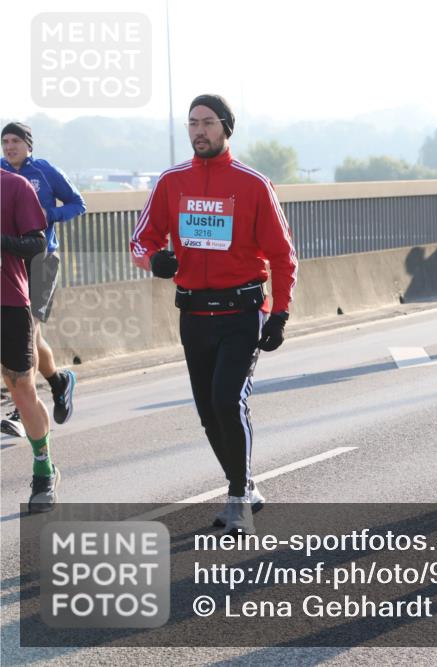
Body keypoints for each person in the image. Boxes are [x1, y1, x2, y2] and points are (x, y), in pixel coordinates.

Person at [130, 94, 298, 535]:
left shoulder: (252, 184)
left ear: (226, 128)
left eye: (207, 122)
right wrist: (155, 261)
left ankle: (238, 500)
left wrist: (278, 314)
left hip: (242, 312)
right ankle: (245, 486)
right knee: (208, 412)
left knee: (228, 399)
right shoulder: (171, 182)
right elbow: (139, 241)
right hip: (194, 315)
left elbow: (283, 256)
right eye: (192, 123)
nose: (198, 131)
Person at [0, 123, 86, 438]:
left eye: (16, 141)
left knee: (32, 329)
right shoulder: (1, 175)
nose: (10, 147)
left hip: (42, 258)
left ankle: (22, 408)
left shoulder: (45, 171)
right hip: (10, 263)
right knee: (33, 339)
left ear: (29, 145)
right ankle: (59, 381)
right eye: (5, 141)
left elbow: (79, 204)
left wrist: (45, 214)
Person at [1, 169, 59, 512]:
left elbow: (37, 243)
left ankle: (43, 469)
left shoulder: (13, 185)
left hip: (7, 302)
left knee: (21, 389)